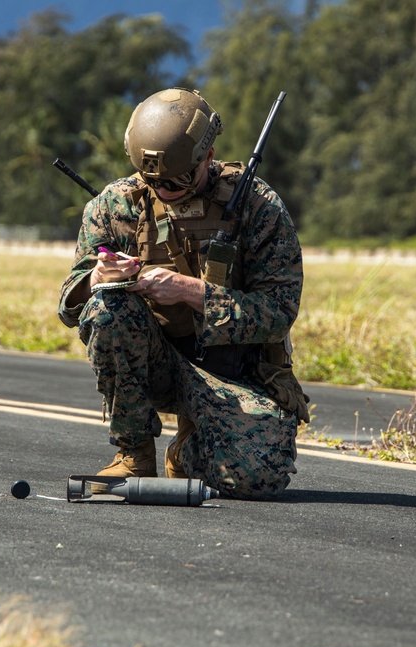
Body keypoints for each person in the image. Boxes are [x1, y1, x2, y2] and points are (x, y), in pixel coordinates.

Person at [57, 88, 309, 500]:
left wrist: (193, 292)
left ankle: (188, 450)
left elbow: (279, 312)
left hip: (235, 372)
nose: (165, 190)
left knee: (259, 478)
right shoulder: (115, 205)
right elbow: (69, 304)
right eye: (153, 181)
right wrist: (97, 278)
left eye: (178, 180)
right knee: (107, 308)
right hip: (154, 365)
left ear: (207, 158)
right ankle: (133, 452)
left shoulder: (257, 206)